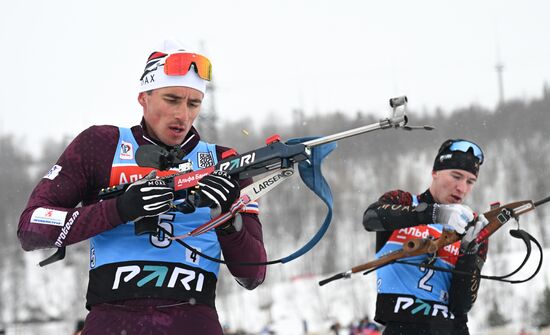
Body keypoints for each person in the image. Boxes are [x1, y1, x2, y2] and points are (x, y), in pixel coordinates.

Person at [18, 39, 267, 335]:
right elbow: (31, 228)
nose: (183, 115)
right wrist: (120, 209)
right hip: (112, 320)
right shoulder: (101, 145)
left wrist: (228, 220)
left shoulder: (223, 161)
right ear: (144, 97)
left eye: (194, 103)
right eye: (172, 99)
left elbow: (253, 274)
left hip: (193, 321)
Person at [362, 139, 489, 335]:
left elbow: (461, 304)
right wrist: (434, 214)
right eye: (456, 176)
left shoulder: (471, 226)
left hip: (452, 329)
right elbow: (371, 218)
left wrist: (468, 251)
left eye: (470, 181)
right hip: (403, 327)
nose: (462, 188)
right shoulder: (404, 201)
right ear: (435, 172)